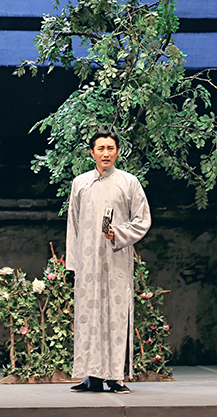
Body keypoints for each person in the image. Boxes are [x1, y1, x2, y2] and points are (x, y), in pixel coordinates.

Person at [65, 130, 151, 394]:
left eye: (110, 148)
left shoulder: (129, 182)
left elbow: (143, 220)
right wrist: (72, 265)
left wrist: (119, 233)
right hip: (88, 263)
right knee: (88, 317)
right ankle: (91, 376)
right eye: (100, 148)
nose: (105, 153)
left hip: (116, 261)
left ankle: (115, 378)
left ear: (117, 152)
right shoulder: (80, 183)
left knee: (115, 316)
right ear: (92, 152)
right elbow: (73, 225)